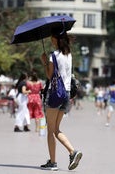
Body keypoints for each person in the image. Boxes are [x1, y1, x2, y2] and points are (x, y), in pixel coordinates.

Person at [40, 30, 82, 171]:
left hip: (56, 94)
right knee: (56, 129)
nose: (51, 39)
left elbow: (50, 76)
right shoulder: (68, 55)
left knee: (50, 130)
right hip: (67, 94)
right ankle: (72, 153)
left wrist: (45, 63)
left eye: (52, 37)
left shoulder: (54, 56)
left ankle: (55, 161)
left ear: (57, 39)